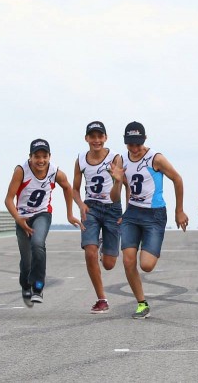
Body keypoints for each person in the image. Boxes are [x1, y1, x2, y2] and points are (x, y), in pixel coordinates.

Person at [114, 121, 189, 319]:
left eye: (138, 144)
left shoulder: (155, 158)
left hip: (154, 215)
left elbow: (177, 179)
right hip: (132, 214)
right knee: (128, 260)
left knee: (146, 265)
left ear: (144, 140)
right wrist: (117, 181)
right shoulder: (121, 160)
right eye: (131, 144)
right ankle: (141, 303)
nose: (135, 148)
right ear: (125, 143)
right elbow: (121, 191)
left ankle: (152, 246)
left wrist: (179, 210)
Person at [4, 138, 82, 307]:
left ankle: (38, 287)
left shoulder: (55, 172)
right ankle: (25, 285)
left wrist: (69, 214)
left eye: (44, 156)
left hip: (42, 214)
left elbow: (68, 188)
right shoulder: (21, 171)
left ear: (49, 156)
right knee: (26, 259)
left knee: (38, 244)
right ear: (30, 157)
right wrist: (18, 219)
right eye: (37, 156)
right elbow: (8, 199)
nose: (41, 160)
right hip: (22, 217)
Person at [71, 121, 124, 314]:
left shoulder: (115, 158)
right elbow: (74, 189)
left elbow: (124, 185)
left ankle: (103, 245)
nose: (96, 140)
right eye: (92, 136)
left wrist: (125, 212)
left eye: (99, 136)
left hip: (112, 209)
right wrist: (80, 204)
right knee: (89, 252)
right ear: (86, 138)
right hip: (90, 208)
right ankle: (102, 299)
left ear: (105, 138)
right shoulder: (81, 160)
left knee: (109, 264)